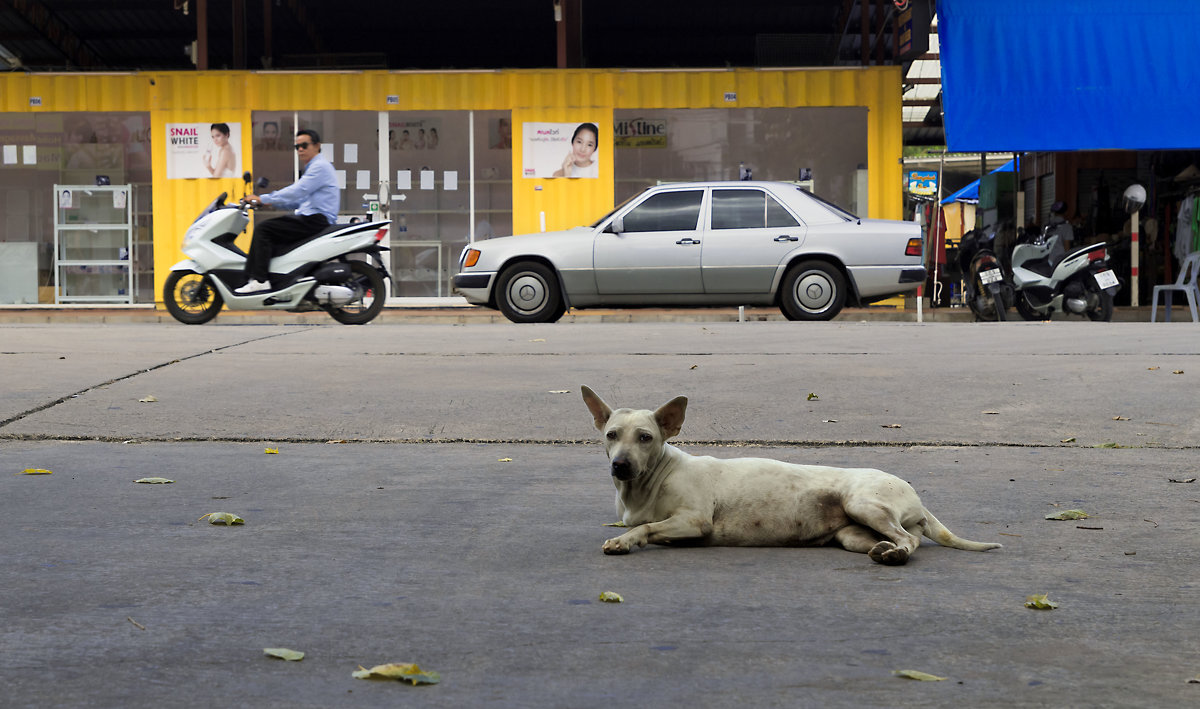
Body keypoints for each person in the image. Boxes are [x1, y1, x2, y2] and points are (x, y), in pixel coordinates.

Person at [236, 129, 339, 293]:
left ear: (317, 146)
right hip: (311, 217)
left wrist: (264, 198)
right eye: (297, 146)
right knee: (272, 240)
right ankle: (273, 282)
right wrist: (270, 204)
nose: (300, 150)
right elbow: (299, 201)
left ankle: (260, 280)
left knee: (264, 229)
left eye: (304, 145)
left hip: (315, 220)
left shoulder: (319, 167)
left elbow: (297, 191)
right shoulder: (315, 167)